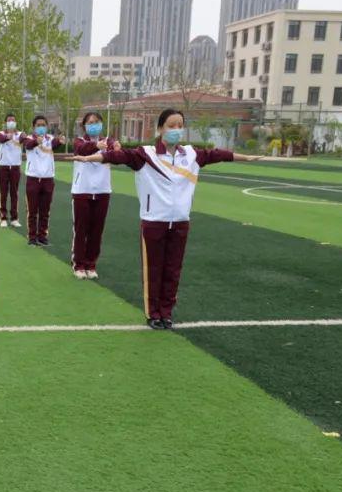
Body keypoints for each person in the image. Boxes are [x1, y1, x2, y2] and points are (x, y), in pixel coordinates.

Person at [75, 108, 264, 329]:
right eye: (171, 126)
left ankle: (166, 312)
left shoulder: (191, 155)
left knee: (173, 270)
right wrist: (90, 157)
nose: (176, 130)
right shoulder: (146, 154)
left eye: (179, 126)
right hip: (154, 221)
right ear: (160, 128)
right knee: (154, 270)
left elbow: (218, 154)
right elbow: (117, 156)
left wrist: (246, 157)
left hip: (181, 222)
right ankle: (153, 313)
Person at [69, 112, 119, 280]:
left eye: (97, 122)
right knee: (81, 229)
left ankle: (91, 264)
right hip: (82, 190)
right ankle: (79, 264)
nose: (94, 125)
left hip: (103, 190)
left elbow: (116, 153)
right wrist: (98, 145)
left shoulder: (109, 142)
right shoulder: (79, 141)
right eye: (90, 123)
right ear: (84, 126)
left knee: (96, 230)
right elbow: (82, 150)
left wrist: (116, 148)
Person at [22, 115, 65, 246]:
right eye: (38, 125)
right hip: (33, 178)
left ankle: (42, 236)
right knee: (32, 210)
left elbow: (55, 144)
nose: (41, 127)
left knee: (45, 211)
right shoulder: (29, 139)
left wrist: (61, 141)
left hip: (48, 179)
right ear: (34, 127)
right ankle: (32, 237)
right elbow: (28, 146)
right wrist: (37, 142)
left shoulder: (50, 139)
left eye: (43, 125)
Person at [0, 114, 23, 228]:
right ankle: (3, 218)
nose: (11, 121)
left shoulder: (20, 134)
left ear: (16, 122)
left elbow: (25, 140)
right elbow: (1, 140)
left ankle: (14, 218)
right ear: (5, 122)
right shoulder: (1, 133)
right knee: (3, 193)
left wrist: (18, 136)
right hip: (4, 166)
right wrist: (9, 136)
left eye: (13, 120)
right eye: (9, 120)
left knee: (14, 193)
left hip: (16, 166)